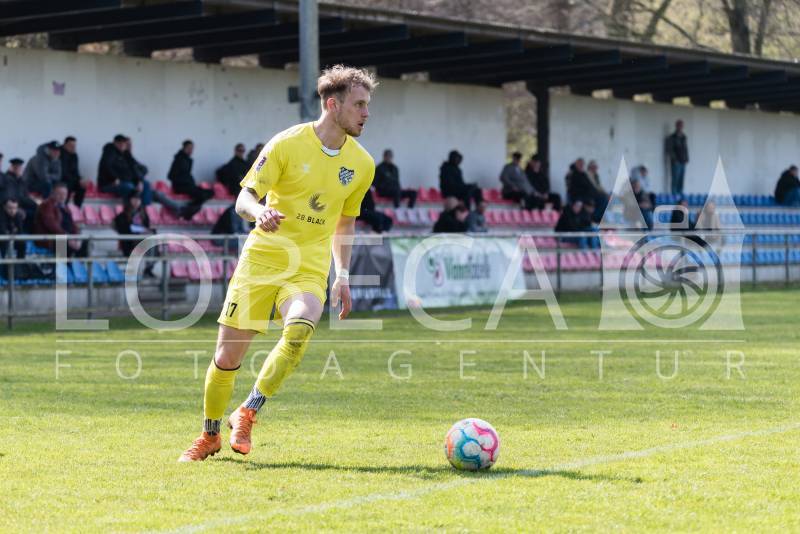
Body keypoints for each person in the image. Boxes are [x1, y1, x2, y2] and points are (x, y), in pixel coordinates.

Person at [178, 65, 377, 462]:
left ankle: (248, 410)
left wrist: (342, 275)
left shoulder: (362, 164)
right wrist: (260, 212)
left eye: (367, 105)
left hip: (309, 267)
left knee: (300, 328)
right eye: (358, 104)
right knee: (227, 359)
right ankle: (210, 434)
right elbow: (244, 199)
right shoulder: (287, 143)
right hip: (263, 260)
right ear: (332, 104)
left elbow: (346, 221)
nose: (366, 113)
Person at [32, 182, 87, 257]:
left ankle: (80, 264)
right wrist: (67, 237)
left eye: (64, 194)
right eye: (59, 194)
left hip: (65, 237)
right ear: (53, 194)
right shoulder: (46, 205)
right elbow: (52, 225)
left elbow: (72, 224)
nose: (62, 197)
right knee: (62, 242)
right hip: (51, 239)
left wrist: (77, 237)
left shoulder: (65, 207)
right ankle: (61, 264)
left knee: (84, 242)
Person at [113, 193, 157, 277]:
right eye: (134, 199)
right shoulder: (122, 216)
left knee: (153, 239)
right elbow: (123, 230)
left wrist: (147, 231)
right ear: (130, 200)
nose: (137, 201)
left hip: (143, 240)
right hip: (130, 242)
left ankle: (149, 268)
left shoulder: (143, 214)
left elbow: (147, 227)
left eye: (138, 199)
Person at [168, 140, 214, 205]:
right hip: (180, 187)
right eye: (189, 148)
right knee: (201, 195)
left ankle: (193, 205)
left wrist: (190, 182)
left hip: (189, 185)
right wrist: (187, 181)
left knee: (210, 192)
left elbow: (187, 174)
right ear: (184, 148)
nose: (191, 150)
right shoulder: (178, 159)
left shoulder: (188, 160)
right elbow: (170, 176)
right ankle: (191, 207)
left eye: (192, 148)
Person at [1, 158, 38, 229]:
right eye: (17, 167)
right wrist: (33, 202)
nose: (19, 170)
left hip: (22, 204)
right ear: (12, 167)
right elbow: (14, 197)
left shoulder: (21, 181)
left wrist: (33, 200)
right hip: (14, 206)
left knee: (38, 210)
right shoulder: (8, 179)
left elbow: (26, 194)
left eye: (20, 167)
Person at [565, 158, 607, 222]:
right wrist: (580, 200)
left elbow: (591, 186)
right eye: (580, 164)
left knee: (603, 199)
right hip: (580, 197)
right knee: (602, 200)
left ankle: (598, 218)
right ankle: (595, 217)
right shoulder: (573, 174)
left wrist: (597, 193)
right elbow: (573, 190)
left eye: (582, 165)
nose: (581, 166)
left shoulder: (584, 174)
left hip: (589, 195)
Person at [60, 136, 87, 207]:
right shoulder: (59, 154)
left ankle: (77, 208)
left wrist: (80, 179)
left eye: (74, 146)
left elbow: (76, 171)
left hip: (71, 180)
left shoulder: (74, 155)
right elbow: (63, 172)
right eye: (71, 146)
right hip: (61, 180)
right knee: (68, 186)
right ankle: (63, 207)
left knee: (82, 187)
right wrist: (76, 180)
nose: (73, 148)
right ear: (65, 145)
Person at [665, 119, 689, 195]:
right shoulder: (672, 137)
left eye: (682, 126)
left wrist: (687, 158)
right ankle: (674, 195)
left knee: (681, 179)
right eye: (679, 125)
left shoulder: (684, 137)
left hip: (683, 162)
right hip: (676, 162)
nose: (680, 127)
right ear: (676, 126)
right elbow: (669, 150)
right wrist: (675, 159)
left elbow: (685, 148)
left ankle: (680, 195)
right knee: (675, 179)